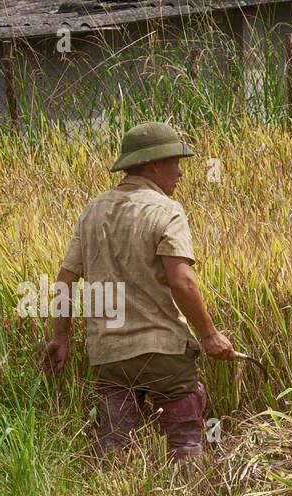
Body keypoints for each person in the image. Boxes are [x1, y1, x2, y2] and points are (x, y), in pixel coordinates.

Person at [39, 121, 235, 460]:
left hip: (110, 354)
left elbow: (64, 280)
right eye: (175, 162)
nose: (180, 172)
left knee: (114, 447)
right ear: (153, 164)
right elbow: (182, 281)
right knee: (184, 443)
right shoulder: (167, 210)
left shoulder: (93, 211)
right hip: (164, 352)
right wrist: (210, 336)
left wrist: (61, 337)